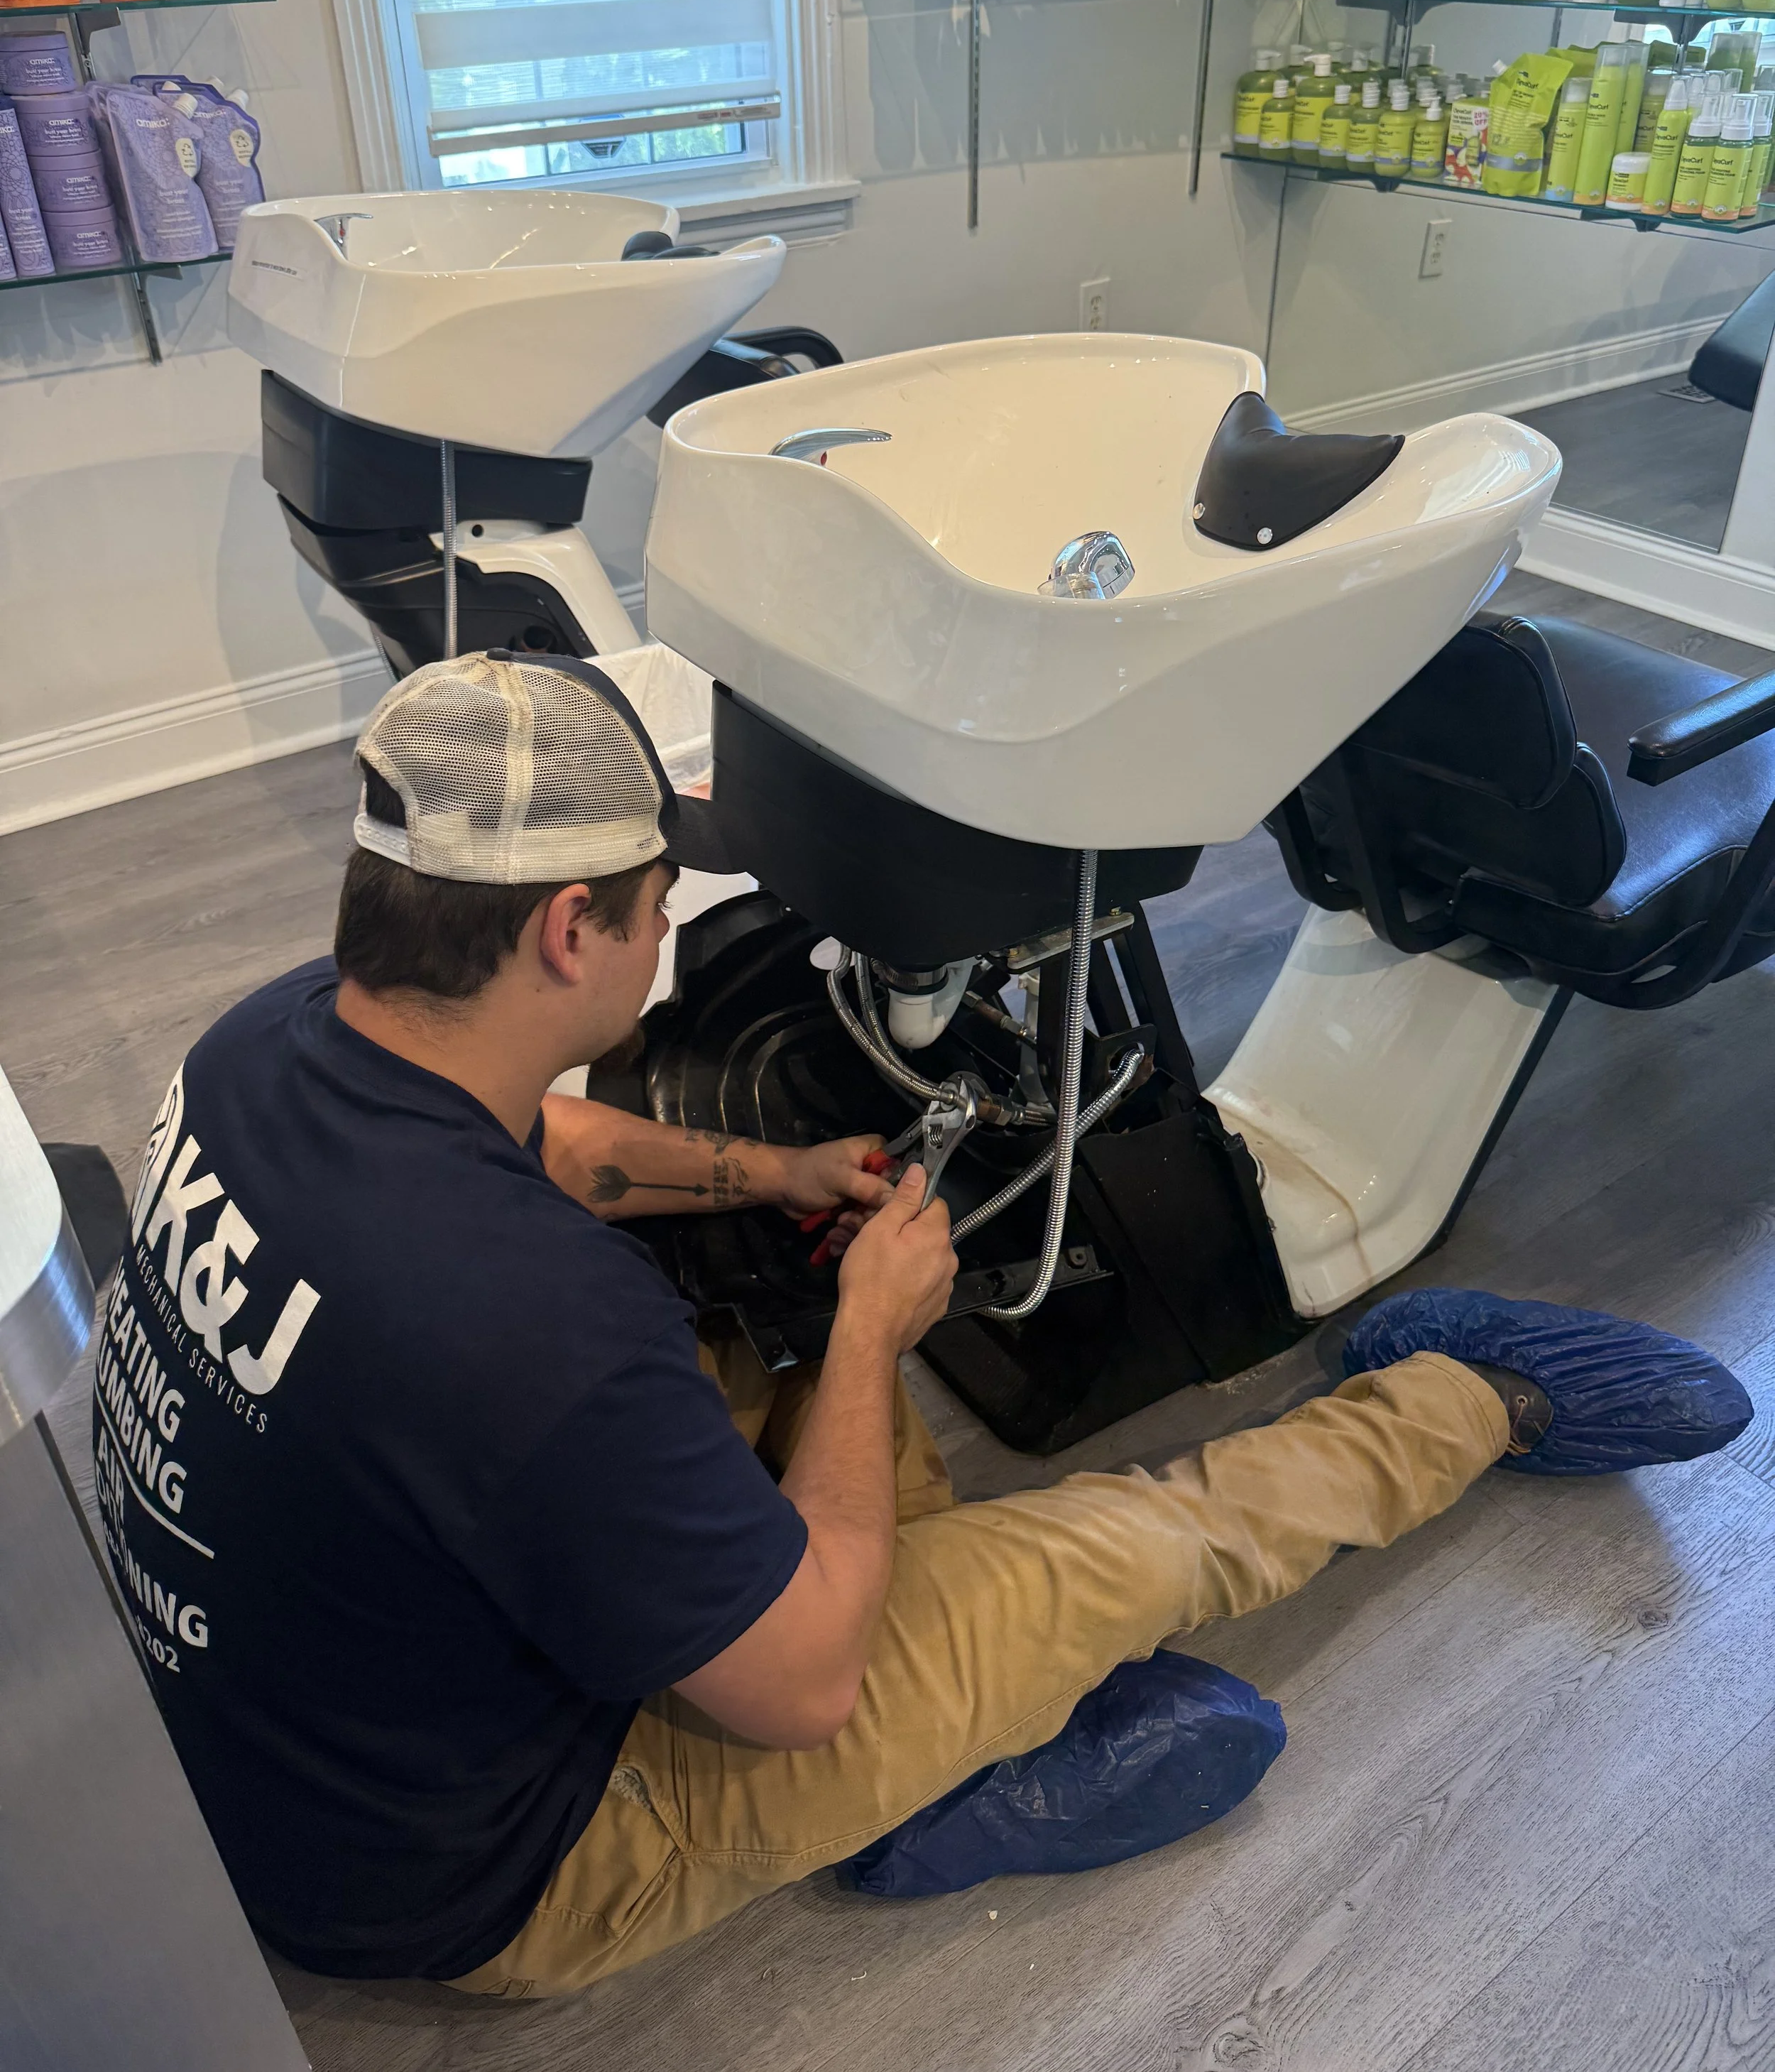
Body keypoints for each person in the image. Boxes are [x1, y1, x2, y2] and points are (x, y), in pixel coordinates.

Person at [94, 651, 1752, 1998]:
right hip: (512, 1869)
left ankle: (969, 1722)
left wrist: (776, 1165)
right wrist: (879, 1329)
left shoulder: (277, 1036)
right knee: (1132, 1543)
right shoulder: (518, 1326)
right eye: (656, 899)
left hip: (283, 1763)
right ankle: (1470, 1401)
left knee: (761, 1305)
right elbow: (801, 1681)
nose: (666, 925)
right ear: (564, 928)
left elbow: (574, 1145)